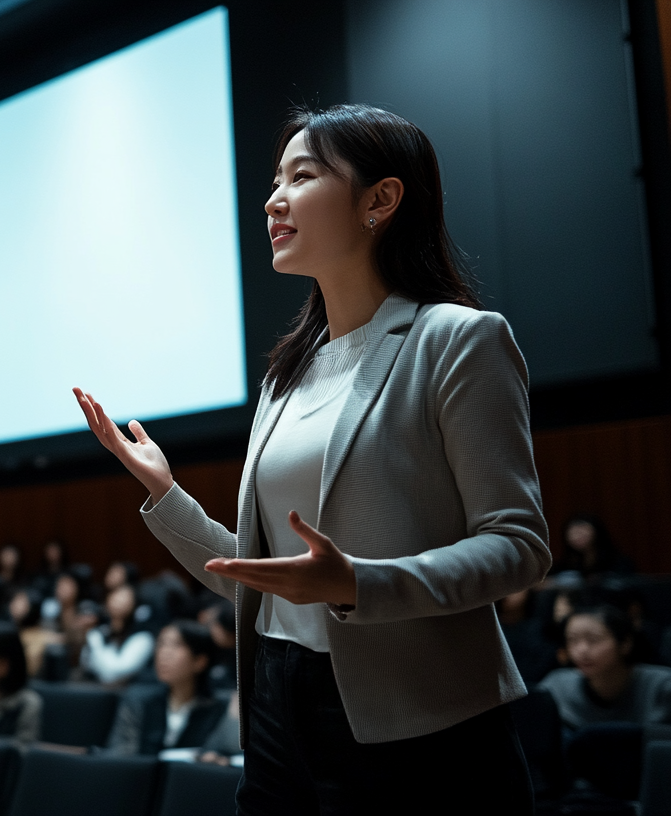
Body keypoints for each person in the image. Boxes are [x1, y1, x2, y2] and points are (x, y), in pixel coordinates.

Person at [74, 103, 549, 814]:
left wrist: (359, 583)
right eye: (274, 180)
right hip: (276, 700)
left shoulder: (457, 339)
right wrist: (167, 496)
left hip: (417, 720)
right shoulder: (288, 373)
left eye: (303, 175)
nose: (273, 199)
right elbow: (266, 582)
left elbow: (519, 546)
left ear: (380, 200)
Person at [538, 603, 671, 728]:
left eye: (593, 639)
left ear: (625, 643)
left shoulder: (663, 686)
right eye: (572, 640)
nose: (582, 650)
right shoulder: (557, 686)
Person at [107, 620, 228, 755]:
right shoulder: (138, 700)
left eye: (176, 645)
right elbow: (120, 755)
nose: (164, 653)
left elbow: (217, 754)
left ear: (200, 661)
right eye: (161, 644)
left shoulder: (218, 708)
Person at [80, 584, 153, 686]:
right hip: (92, 689)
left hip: (124, 694)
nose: (119, 600)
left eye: (125, 597)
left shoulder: (142, 637)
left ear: (135, 604)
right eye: (116, 594)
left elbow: (112, 675)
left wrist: (95, 642)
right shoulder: (101, 630)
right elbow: (86, 664)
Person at [551, 515, 635, 579]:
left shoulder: (617, 561)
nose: (577, 537)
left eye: (582, 532)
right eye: (573, 533)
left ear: (597, 533)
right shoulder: (566, 562)